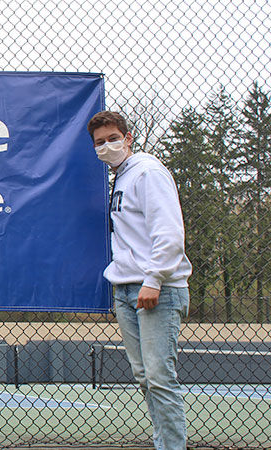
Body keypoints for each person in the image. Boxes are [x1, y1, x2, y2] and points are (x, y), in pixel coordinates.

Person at [88, 111, 192, 450]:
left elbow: (170, 233)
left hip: (156, 289)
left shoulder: (147, 172)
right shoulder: (120, 177)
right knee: (146, 377)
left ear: (128, 137)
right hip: (128, 287)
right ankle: (164, 442)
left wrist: (154, 279)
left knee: (161, 378)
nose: (107, 146)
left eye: (113, 138)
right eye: (100, 143)